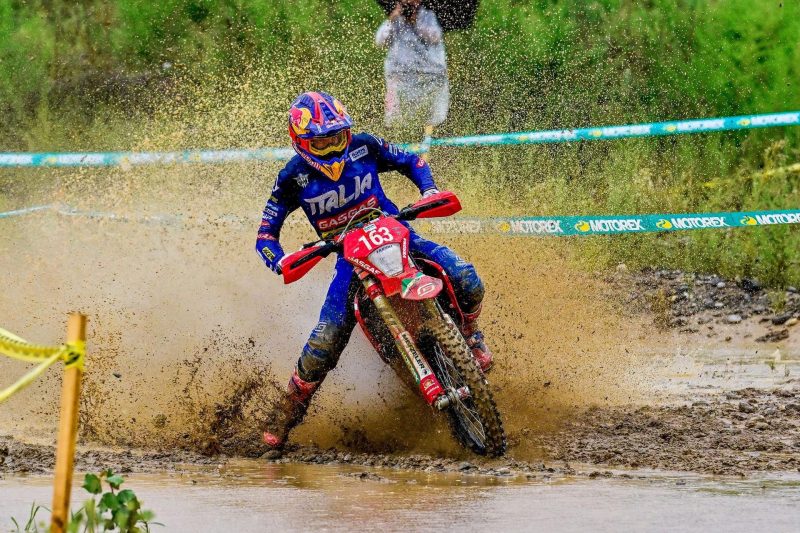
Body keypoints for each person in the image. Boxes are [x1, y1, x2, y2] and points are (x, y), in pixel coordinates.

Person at [256, 91, 491, 449]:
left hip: (396, 231)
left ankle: (471, 335)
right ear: (301, 142)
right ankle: (285, 413)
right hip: (348, 257)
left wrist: (429, 190)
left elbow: (411, 160)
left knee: (466, 277)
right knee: (325, 339)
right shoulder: (292, 177)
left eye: (337, 138)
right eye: (321, 143)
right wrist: (279, 260)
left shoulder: (364, 146)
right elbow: (265, 235)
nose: (331, 148)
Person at [375, 0, 449, 135]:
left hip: (428, 75)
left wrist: (415, 21)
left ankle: (428, 141)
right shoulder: (395, 20)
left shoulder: (428, 16)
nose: (408, 4)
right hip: (400, 75)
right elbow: (380, 41)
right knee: (396, 116)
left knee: (431, 116)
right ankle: (398, 139)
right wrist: (393, 18)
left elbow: (435, 36)